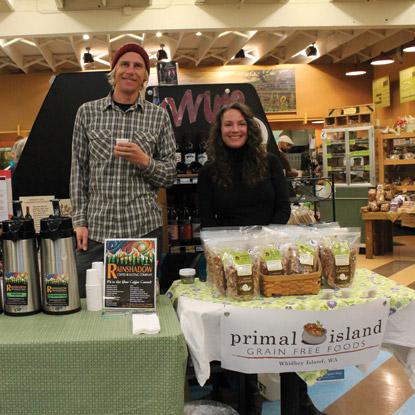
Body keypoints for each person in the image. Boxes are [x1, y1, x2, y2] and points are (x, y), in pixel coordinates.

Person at [198, 102, 326, 415]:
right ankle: (245, 397)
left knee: (284, 325)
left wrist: (265, 242)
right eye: (228, 124)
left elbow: (284, 206)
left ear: (250, 128)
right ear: (220, 131)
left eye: (240, 124)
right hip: (230, 261)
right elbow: (207, 220)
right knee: (239, 327)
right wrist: (233, 250)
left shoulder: (269, 162)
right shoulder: (209, 171)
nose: (235, 130)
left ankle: (299, 397)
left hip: (272, 257)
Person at [70, 43, 176, 297]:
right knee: (91, 307)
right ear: (114, 71)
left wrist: (144, 160)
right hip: (96, 231)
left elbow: (170, 174)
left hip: (142, 229)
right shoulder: (87, 112)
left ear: (145, 76)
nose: (130, 71)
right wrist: (79, 222)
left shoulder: (158, 117)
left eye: (138, 66)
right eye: (124, 64)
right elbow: (78, 171)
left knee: (137, 304)